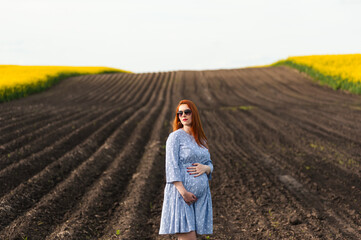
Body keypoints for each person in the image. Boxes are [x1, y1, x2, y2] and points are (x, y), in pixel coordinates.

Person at [159, 99, 214, 240]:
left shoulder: (201, 139)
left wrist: (206, 167)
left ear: (193, 114)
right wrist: (184, 193)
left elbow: (209, 163)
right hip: (181, 196)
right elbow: (171, 166)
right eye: (180, 113)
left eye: (187, 112)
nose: (183, 115)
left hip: (201, 199)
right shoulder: (175, 137)